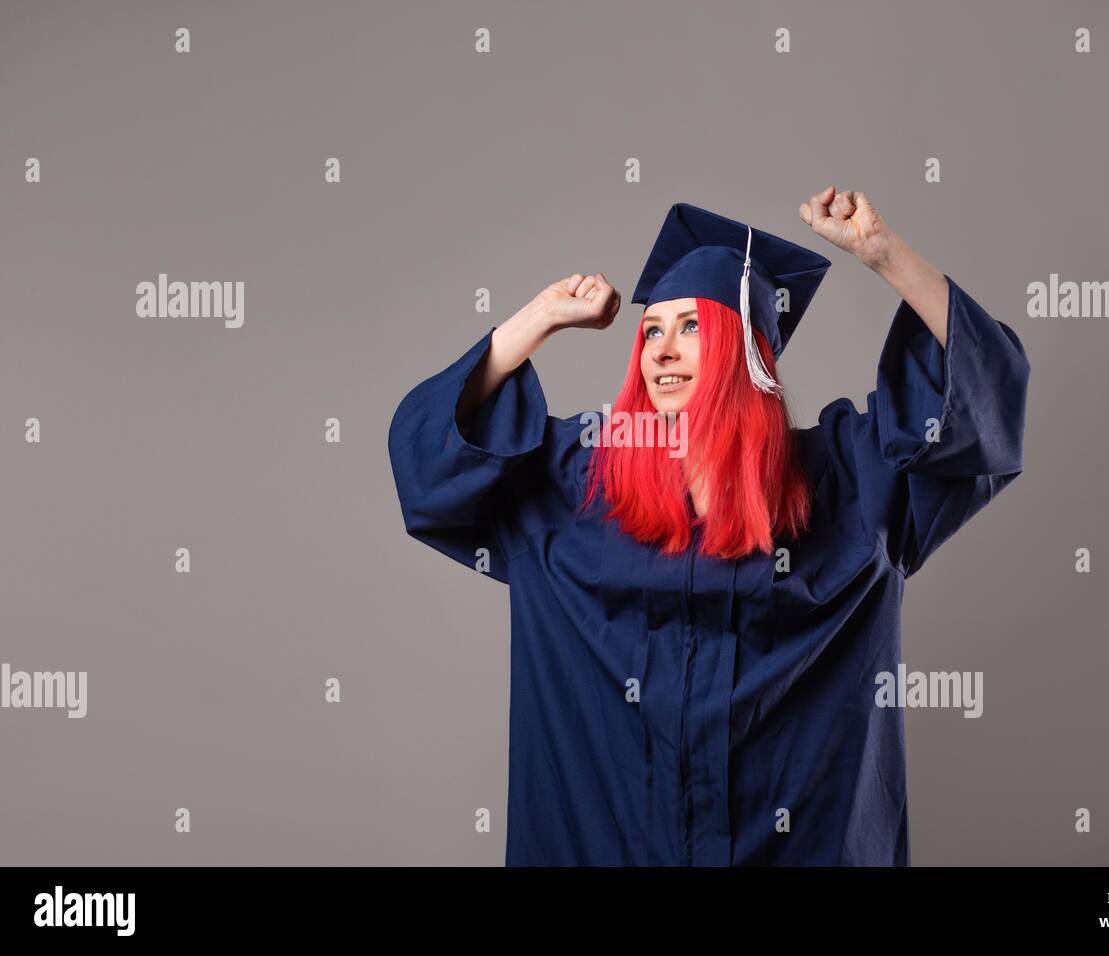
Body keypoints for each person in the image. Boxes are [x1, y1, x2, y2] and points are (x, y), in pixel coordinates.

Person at [387, 188, 1031, 866]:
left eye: (693, 326)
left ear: (748, 353)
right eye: (652, 331)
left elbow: (980, 405)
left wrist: (886, 256)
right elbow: (431, 463)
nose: (663, 350)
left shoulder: (847, 483)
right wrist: (541, 318)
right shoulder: (579, 488)